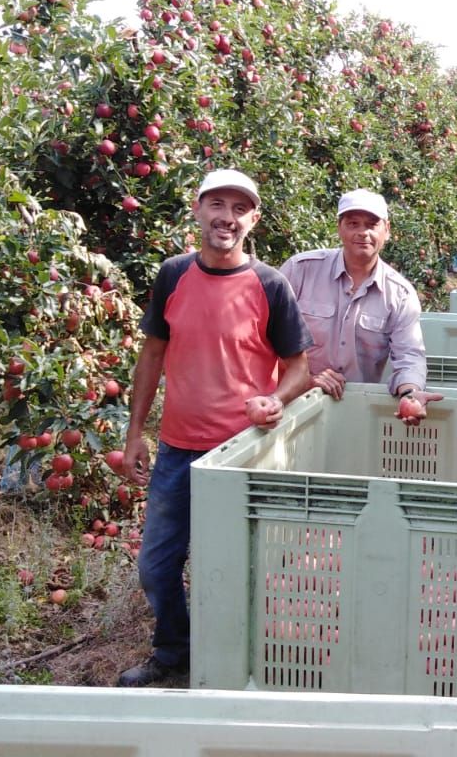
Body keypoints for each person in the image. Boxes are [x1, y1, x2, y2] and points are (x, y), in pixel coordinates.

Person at [115, 168, 315, 687]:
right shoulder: (173, 275)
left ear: (254, 220)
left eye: (239, 209)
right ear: (198, 209)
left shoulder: (269, 285)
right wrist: (135, 433)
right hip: (178, 449)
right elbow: (152, 355)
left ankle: (239, 658)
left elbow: (299, 368)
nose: (227, 218)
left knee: (238, 566)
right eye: (217, 205)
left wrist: (275, 398)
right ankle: (174, 650)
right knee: (156, 566)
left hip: (242, 452)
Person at [279, 189, 440, 423]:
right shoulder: (301, 270)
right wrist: (305, 380)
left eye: (372, 225)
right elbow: (265, 341)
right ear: (339, 228)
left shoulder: (400, 294)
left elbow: (409, 355)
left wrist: (410, 393)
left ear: (387, 230)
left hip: (353, 412)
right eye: (353, 223)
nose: (363, 232)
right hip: (291, 408)